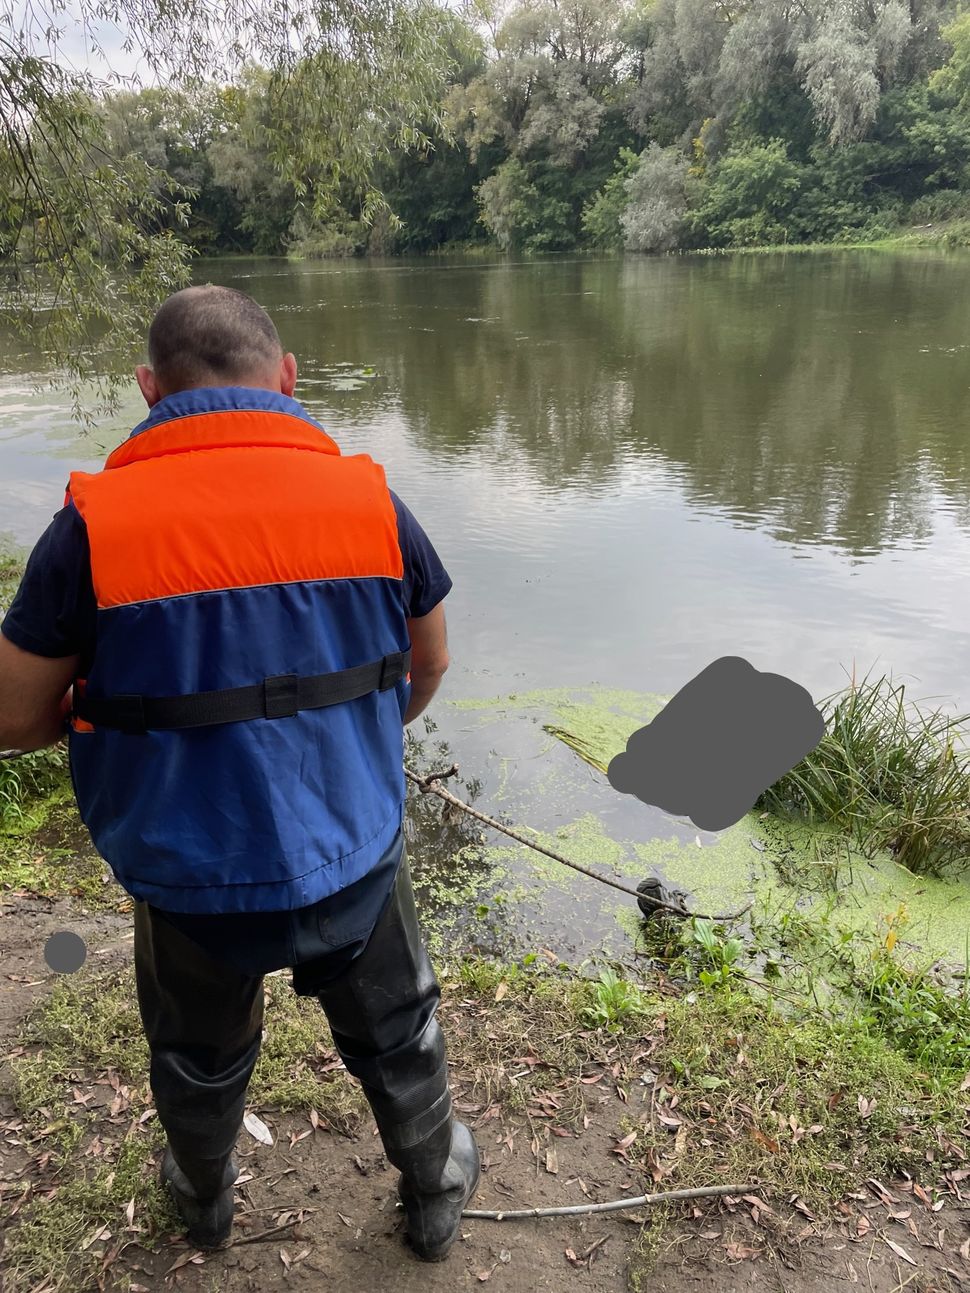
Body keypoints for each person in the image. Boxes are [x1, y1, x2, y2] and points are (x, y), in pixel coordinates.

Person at [0, 285, 481, 1260]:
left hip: (189, 870)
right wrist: (350, 747)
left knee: (198, 1052)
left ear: (148, 388)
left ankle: (204, 1198)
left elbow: (12, 718)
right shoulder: (369, 500)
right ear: (289, 377)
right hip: (352, 849)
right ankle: (433, 1185)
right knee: (397, 1029)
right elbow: (424, 665)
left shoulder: (91, 529)